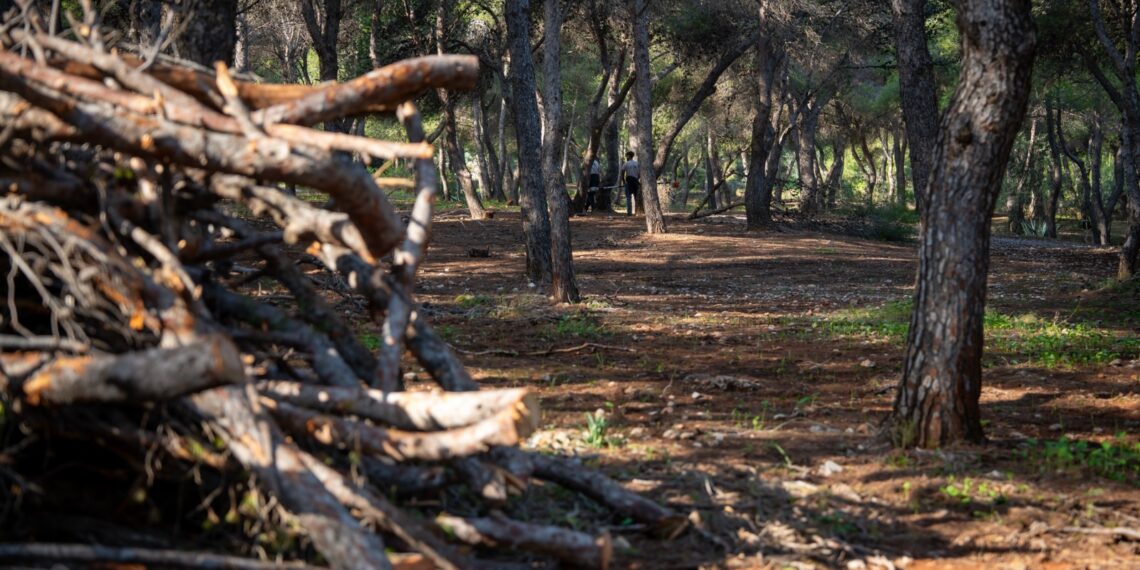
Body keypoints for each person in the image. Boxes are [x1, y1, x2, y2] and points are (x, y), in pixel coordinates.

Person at [621, 151, 639, 216]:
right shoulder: (637, 163)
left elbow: (622, 172)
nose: (626, 157)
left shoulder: (626, 164)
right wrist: (637, 179)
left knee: (628, 197)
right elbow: (639, 173)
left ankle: (629, 213)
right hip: (635, 181)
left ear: (629, 156)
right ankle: (637, 212)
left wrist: (623, 180)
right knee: (636, 197)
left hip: (629, 181)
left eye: (627, 156)